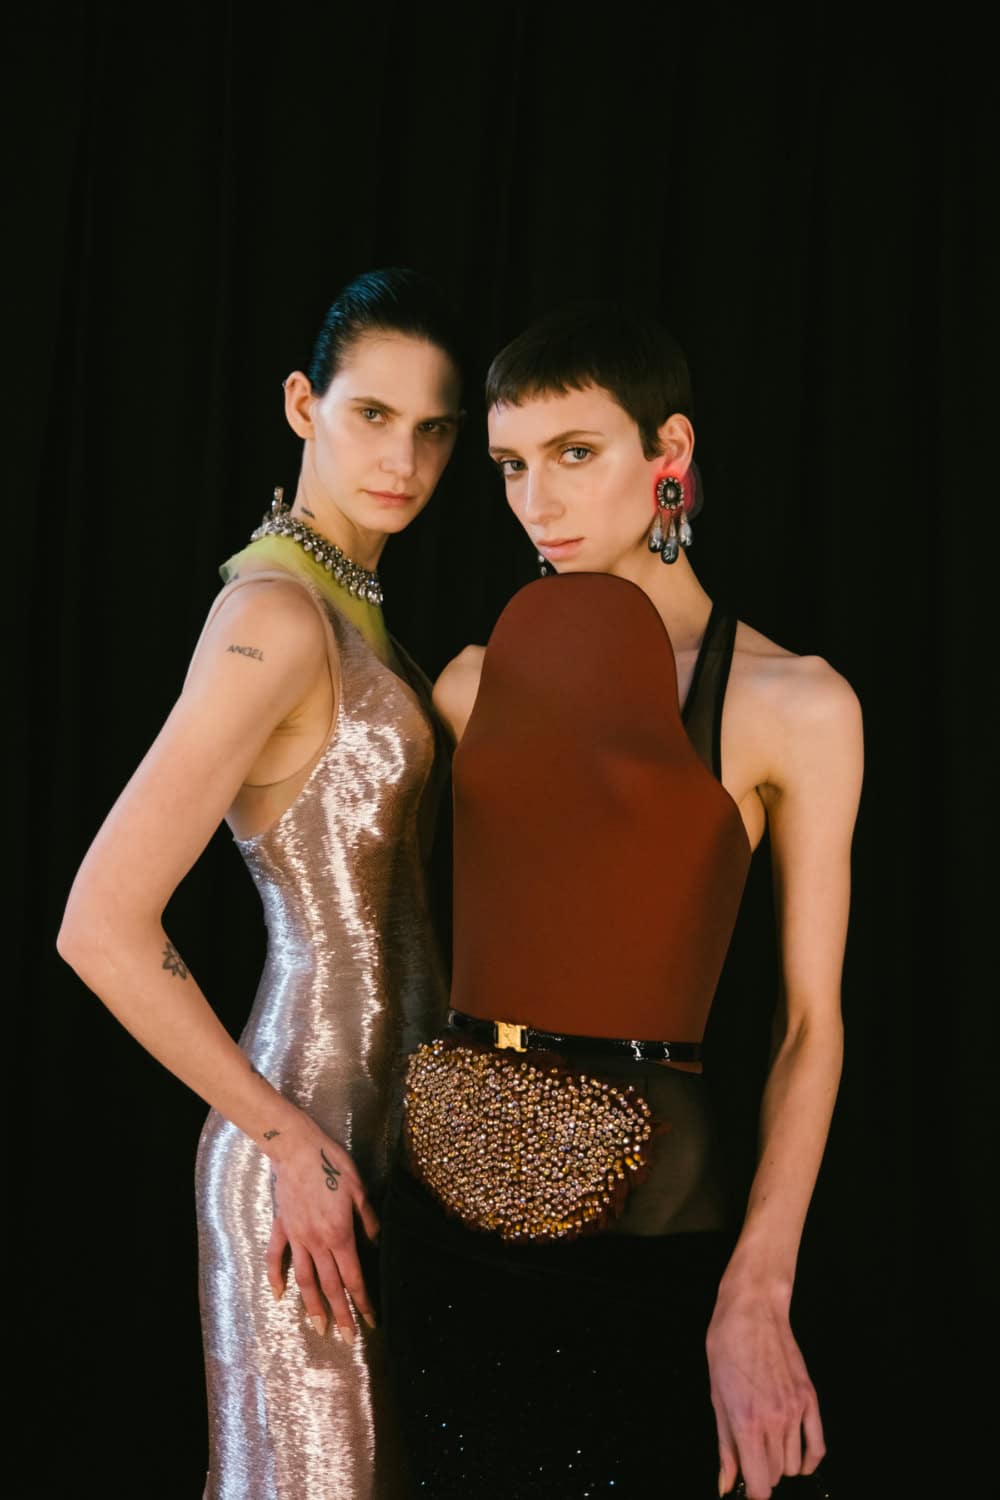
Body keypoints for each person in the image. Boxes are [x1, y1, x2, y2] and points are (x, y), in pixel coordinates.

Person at [381, 302, 862, 1499]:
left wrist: (758, 1292)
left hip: (652, 1248)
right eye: (509, 466)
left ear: (669, 453)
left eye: (574, 453)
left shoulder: (794, 704)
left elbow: (808, 1024)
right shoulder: (468, 683)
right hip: (440, 1235)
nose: (535, 502)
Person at [57, 266, 464, 1499]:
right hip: (300, 1164)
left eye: (434, 428)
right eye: (371, 415)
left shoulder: (355, 612)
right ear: (301, 405)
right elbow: (100, 924)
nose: (402, 459)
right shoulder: (278, 617)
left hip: (381, 1151)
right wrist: (284, 1138)